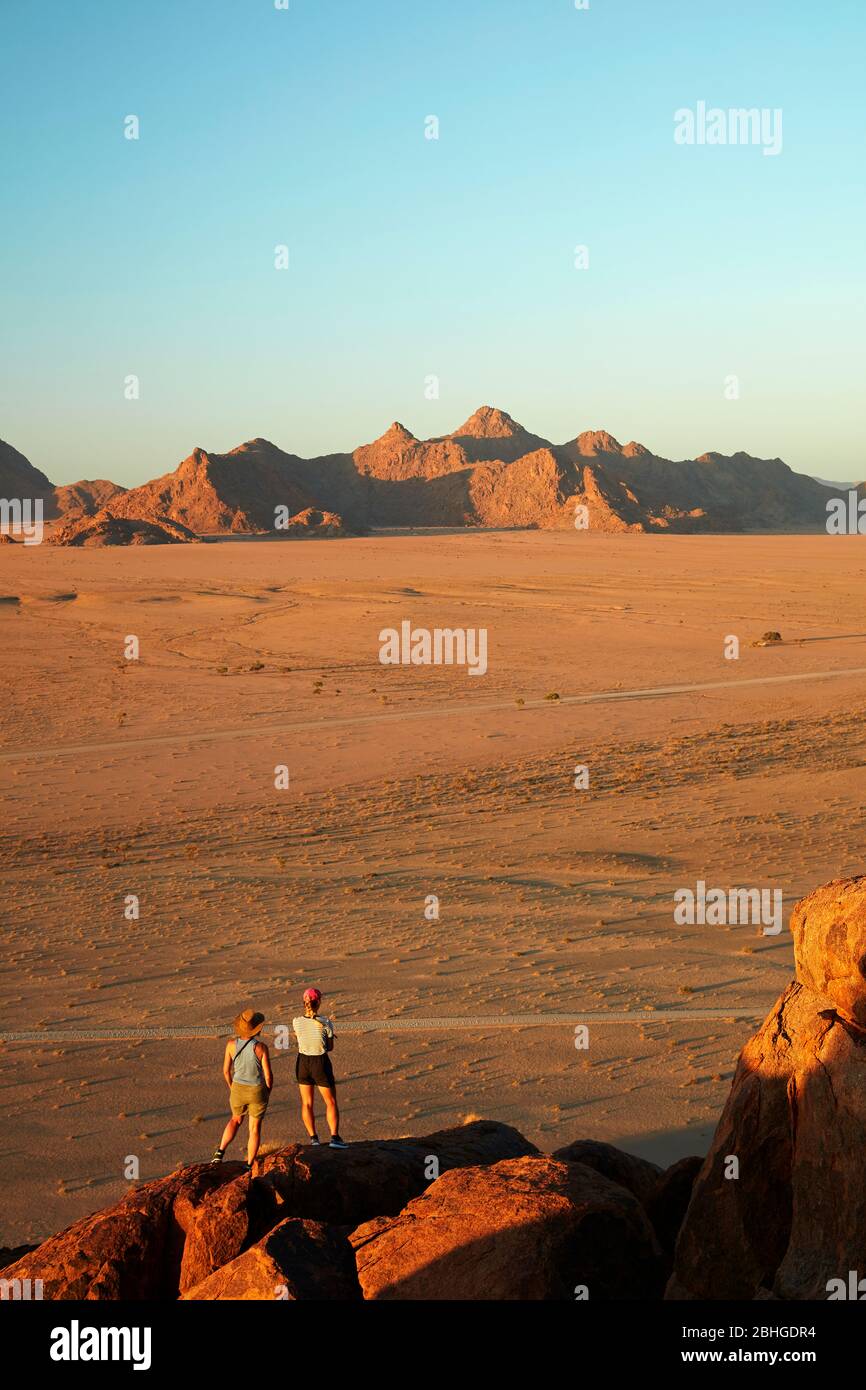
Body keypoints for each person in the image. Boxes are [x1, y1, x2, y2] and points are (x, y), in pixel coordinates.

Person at [211, 1008, 273, 1170]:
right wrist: (267, 1091)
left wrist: (233, 1087)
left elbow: (225, 1071)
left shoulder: (231, 1045)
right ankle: (249, 1164)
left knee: (235, 1120)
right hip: (257, 1090)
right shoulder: (261, 1048)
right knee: (254, 1128)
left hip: (238, 1088)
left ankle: (219, 1152)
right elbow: (268, 1076)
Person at [293, 987, 346, 1148]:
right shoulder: (326, 1022)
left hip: (302, 1062)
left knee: (307, 1103)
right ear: (319, 1002)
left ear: (304, 1002)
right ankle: (335, 1138)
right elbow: (330, 1047)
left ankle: (313, 1138)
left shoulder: (296, 1021)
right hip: (320, 1062)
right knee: (330, 1101)